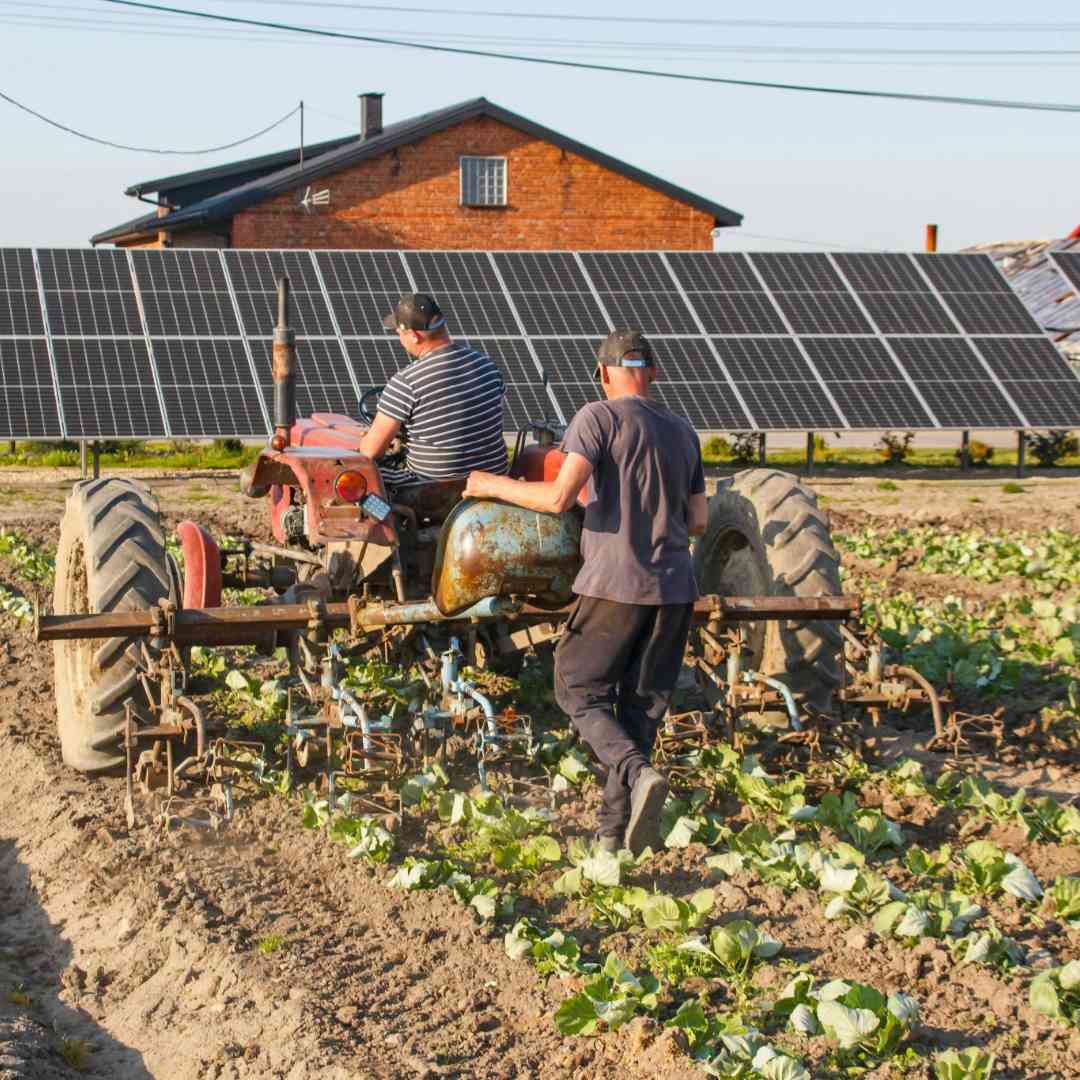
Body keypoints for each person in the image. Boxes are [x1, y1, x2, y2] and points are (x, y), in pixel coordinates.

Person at [464, 329, 707, 855]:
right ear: (654, 373)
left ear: (603, 374)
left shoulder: (598, 416)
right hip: (676, 590)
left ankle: (636, 773)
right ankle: (611, 839)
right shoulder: (685, 431)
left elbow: (556, 498)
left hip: (617, 584)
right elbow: (700, 521)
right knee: (639, 709)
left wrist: (488, 485)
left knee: (575, 687)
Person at [358, 293, 508, 486]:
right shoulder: (486, 365)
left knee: (358, 474)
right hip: (495, 481)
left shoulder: (407, 382)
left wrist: (361, 444)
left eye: (399, 332)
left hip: (432, 489)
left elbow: (370, 452)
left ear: (413, 335)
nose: (399, 338)